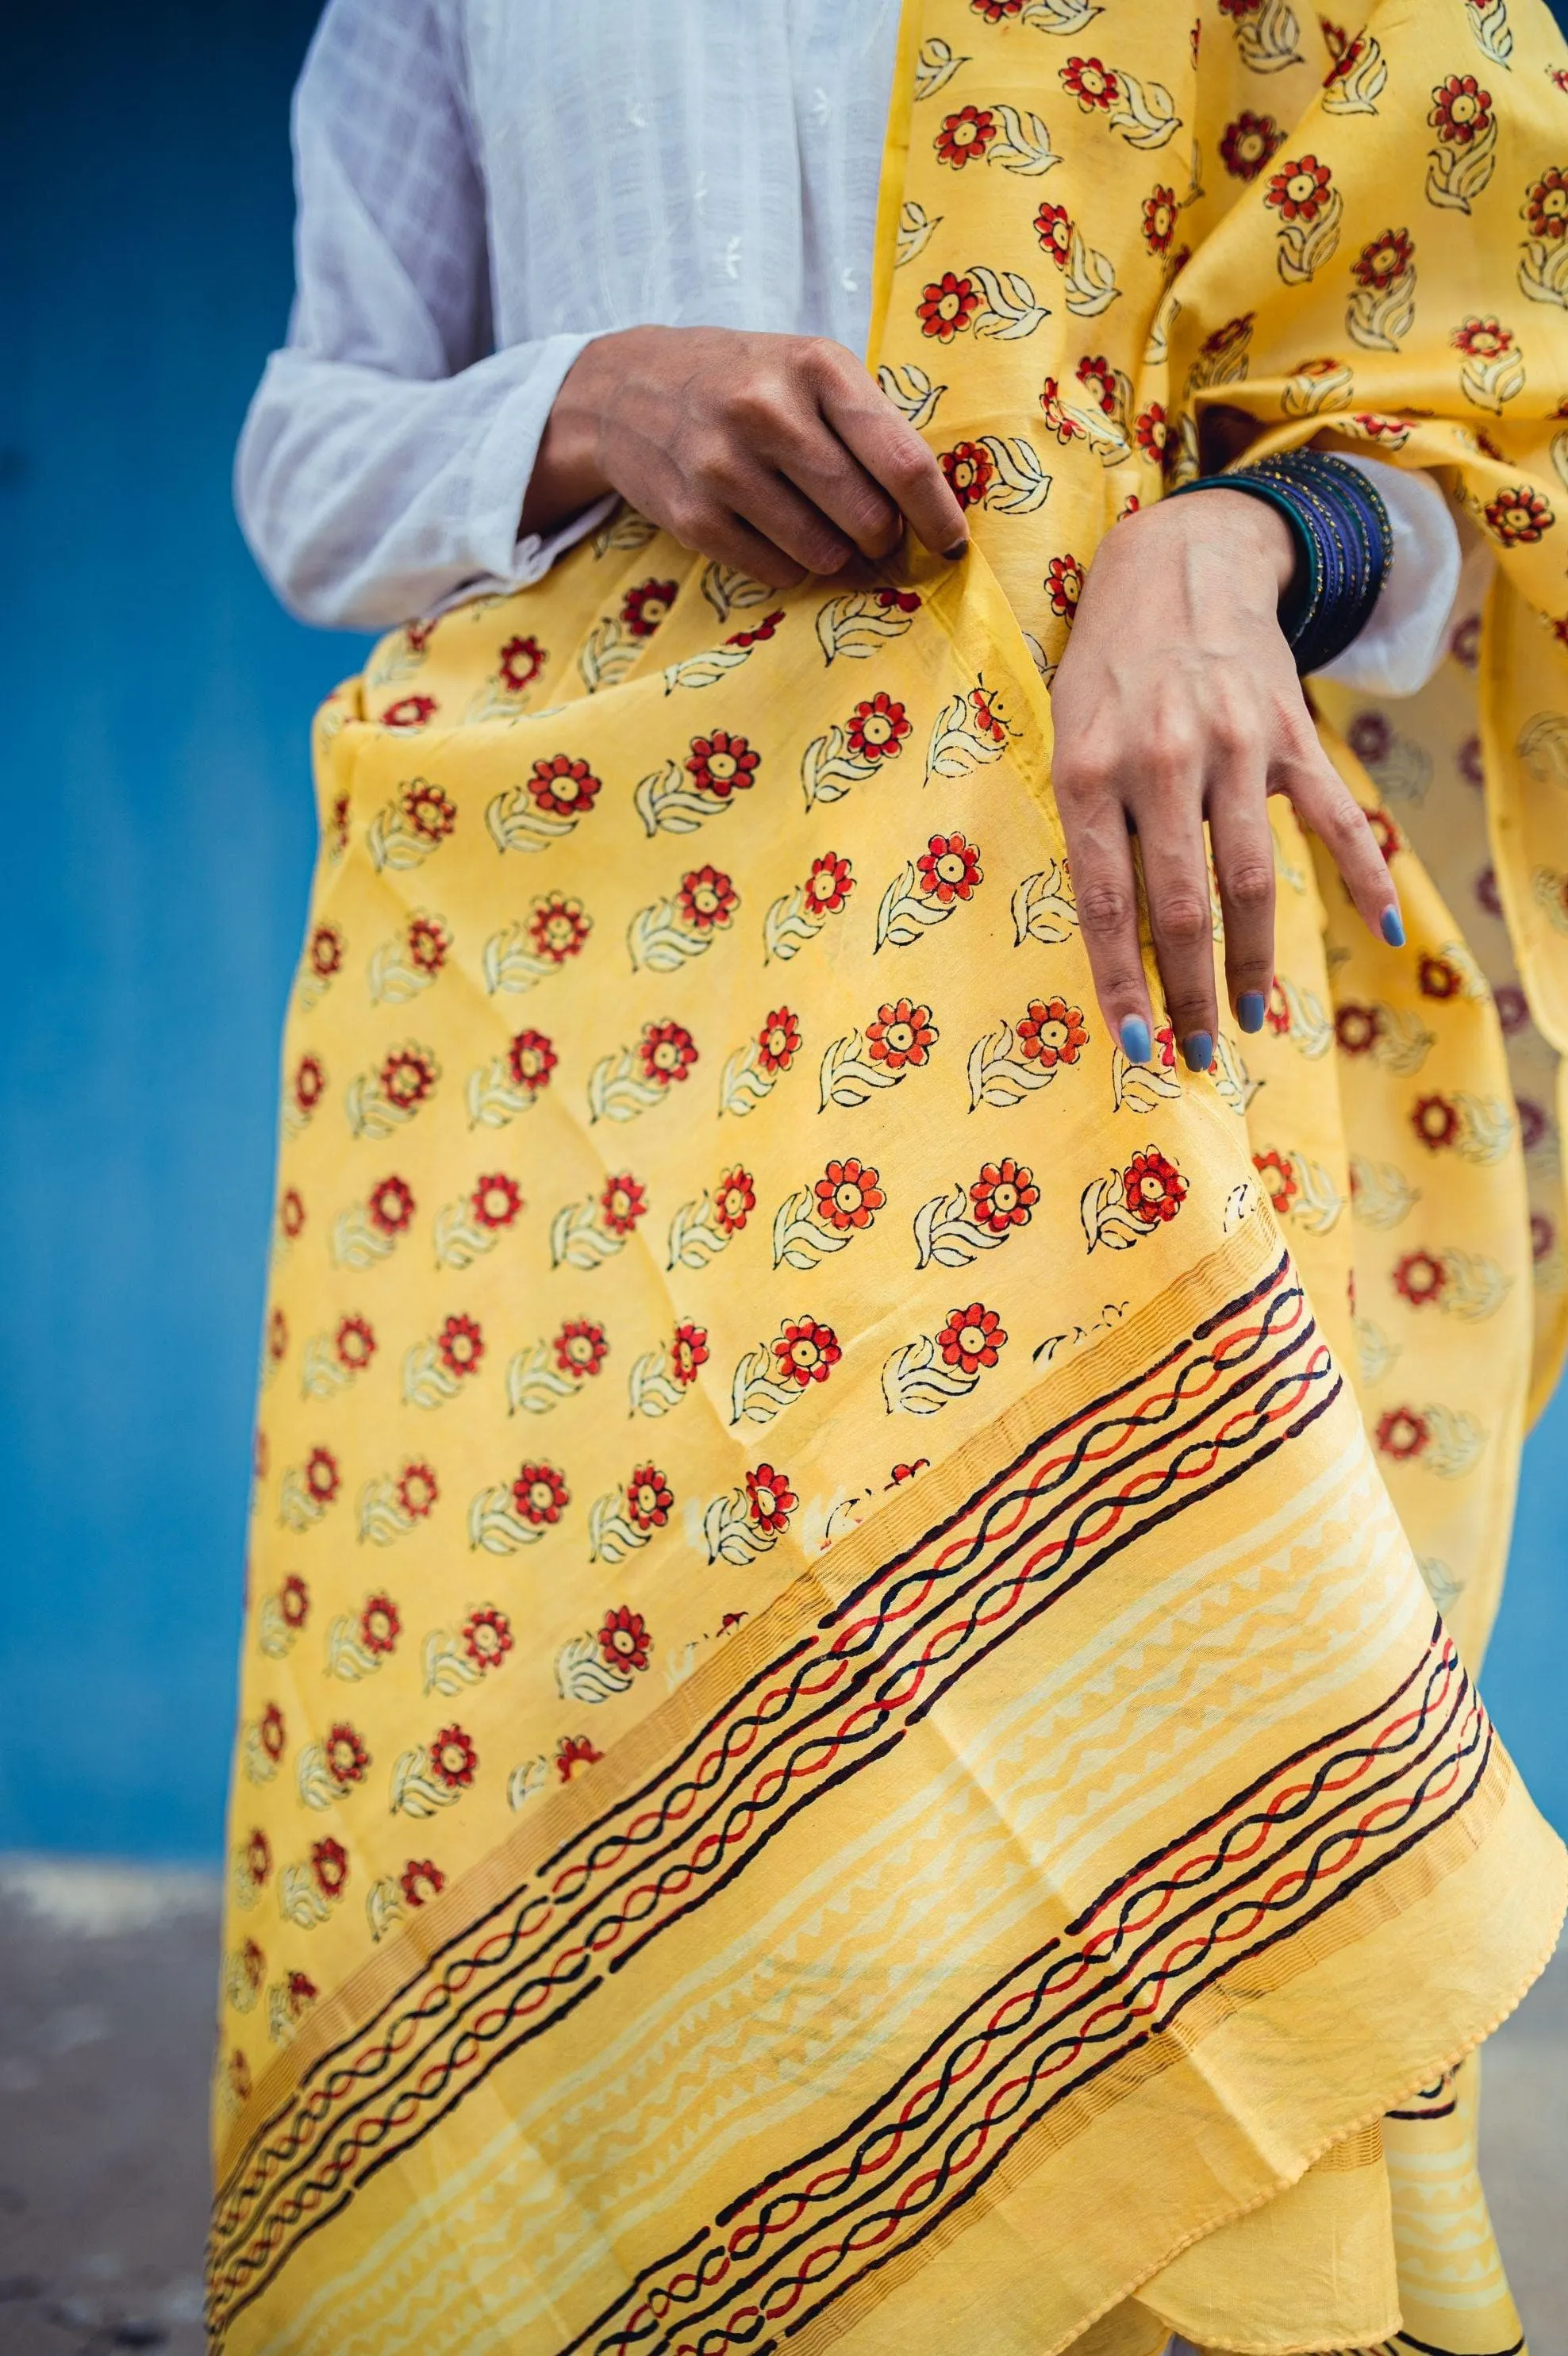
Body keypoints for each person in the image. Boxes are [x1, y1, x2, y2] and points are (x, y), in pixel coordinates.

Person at [211, 6, 1568, 2353]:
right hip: (554, 1052)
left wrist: (1244, 541)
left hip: (1089, 971)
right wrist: (572, 400)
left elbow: (1494, 466)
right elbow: (308, 460)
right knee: (542, 1777)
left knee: (1126, 1844)